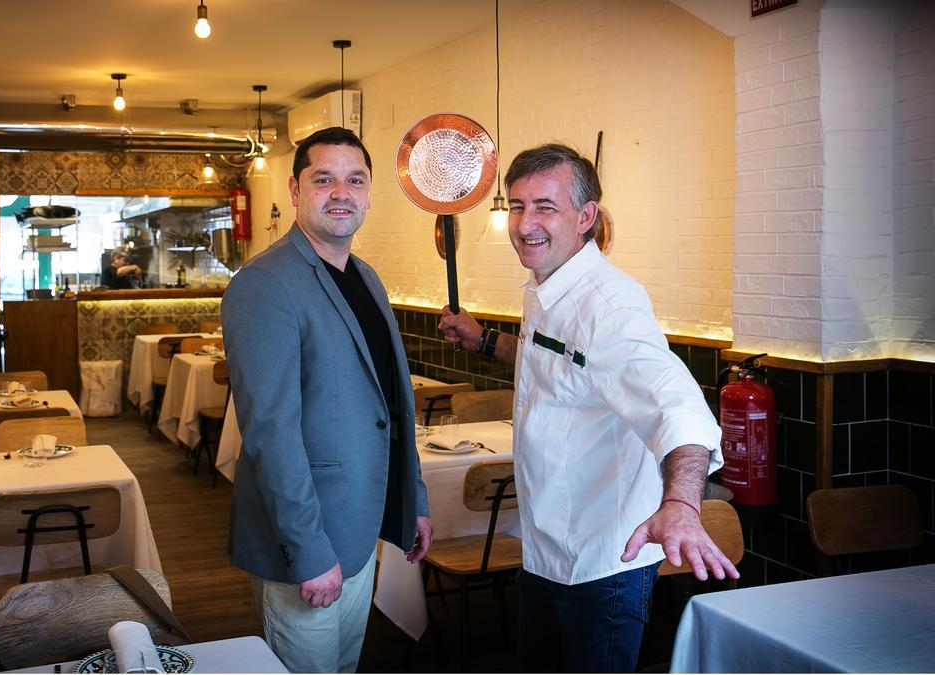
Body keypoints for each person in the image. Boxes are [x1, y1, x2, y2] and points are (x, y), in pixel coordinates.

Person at [437, 143, 737, 673]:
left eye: (546, 207)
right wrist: (484, 340)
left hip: (603, 564)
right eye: (518, 205)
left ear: (585, 217)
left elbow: (679, 408)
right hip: (544, 549)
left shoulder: (612, 305)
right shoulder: (548, 284)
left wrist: (684, 506)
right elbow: (549, 358)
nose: (526, 223)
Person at [221, 127, 433, 673]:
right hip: (308, 543)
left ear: (368, 193)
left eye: (355, 180)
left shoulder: (366, 277)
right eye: (324, 179)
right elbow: (271, 433)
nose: (342, 192)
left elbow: (392, 406)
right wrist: (309, 552)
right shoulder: (265, 283)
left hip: (363, 527)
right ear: (295, 191)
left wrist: (416, 500)